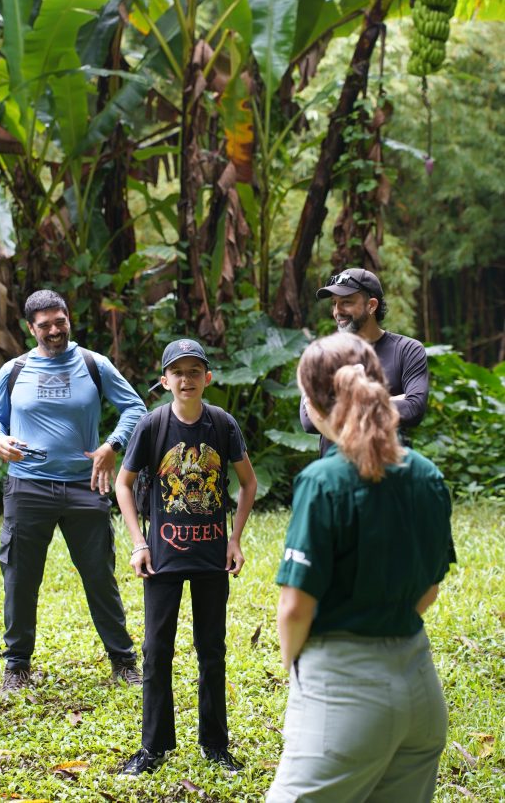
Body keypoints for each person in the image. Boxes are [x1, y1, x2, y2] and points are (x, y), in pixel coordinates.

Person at [267, 332, 455, 803]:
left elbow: (295, 607)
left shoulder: (322, 481)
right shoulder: (427, 474)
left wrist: (297, 672)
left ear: (313, 402)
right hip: (420, 688)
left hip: (343, 693)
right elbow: (429, 589)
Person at [0, 290, 147, 693]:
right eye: (45, 325)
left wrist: (112, 446)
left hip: (84, 485)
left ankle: (123, 660)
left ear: (68, 318)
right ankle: (17, 665)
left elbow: (136, 408)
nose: (55, 330)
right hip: (27, 486)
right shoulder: (14, 370)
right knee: (20, 577)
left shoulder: (94, 363)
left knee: (99, 574)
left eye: (61, 321)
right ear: (30, 328)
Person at [115, 339, 257, 776]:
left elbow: (247, 484)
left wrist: (234, 540)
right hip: (162, 558)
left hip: (213, 556)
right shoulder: (153, 425)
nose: (186, 379)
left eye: (195, 371)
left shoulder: (222, 425)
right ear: (165, 381)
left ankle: (216, 746)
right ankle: (153, 748)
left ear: (207, 378)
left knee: (211, 650)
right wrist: (139, 543)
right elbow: (123, 484)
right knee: (157, 651)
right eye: (178, 372)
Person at [302, 268, 429, 455]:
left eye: (346, 302)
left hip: (390, 472)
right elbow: (309, 421)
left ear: (371, 305)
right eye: (334, 303)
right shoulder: (323, 354)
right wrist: (388, 400)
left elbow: (413, 410)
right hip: (337, 474)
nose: (338, 312)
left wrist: (335, 407)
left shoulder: (407, 350)